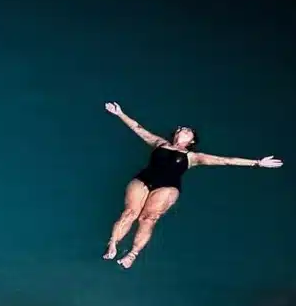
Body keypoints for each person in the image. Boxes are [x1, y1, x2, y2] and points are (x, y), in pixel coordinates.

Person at [102, 101, 283, 269]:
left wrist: (257, 162)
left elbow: (226, 160)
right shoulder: (159, 143)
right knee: (130, 212)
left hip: (167, 187)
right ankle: (112, 243)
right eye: (182, 128)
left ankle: (132, 254)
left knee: (147, 218)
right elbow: (139, 129)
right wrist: (120, 113)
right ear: (176, 134)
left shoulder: (194, 157)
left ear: (192, 140)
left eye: (188, 130)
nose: (184, 129)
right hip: (143, 179)